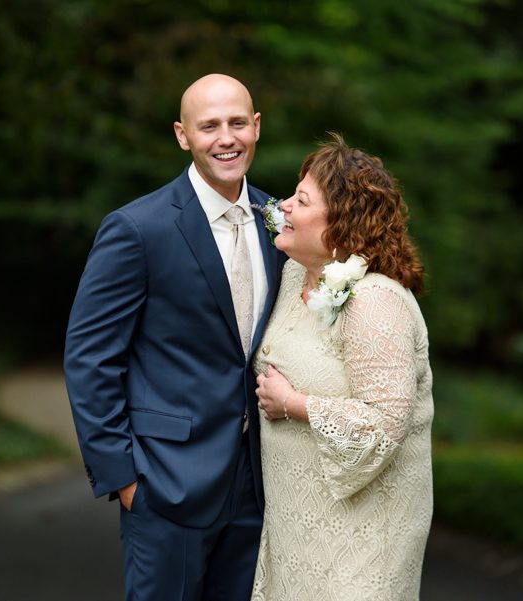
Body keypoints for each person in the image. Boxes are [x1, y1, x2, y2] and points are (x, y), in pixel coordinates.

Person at [64, 74, 285, 601]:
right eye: (209, 126)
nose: (225, 138)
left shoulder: (279, 222)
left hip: (259, 488)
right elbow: (90, 359)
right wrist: (125, 481)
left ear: (256, 128)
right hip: (165, 487)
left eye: (237, 123)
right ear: (183, 136)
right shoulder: (137, 229)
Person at [251, 133, 433, 601]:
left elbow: (382, 426)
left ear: (341, 224)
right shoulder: (295, 274)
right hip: (298, 531)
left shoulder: (375, 301)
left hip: (362, 541)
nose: (285, 206)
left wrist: (293, 404)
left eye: (302, 200)